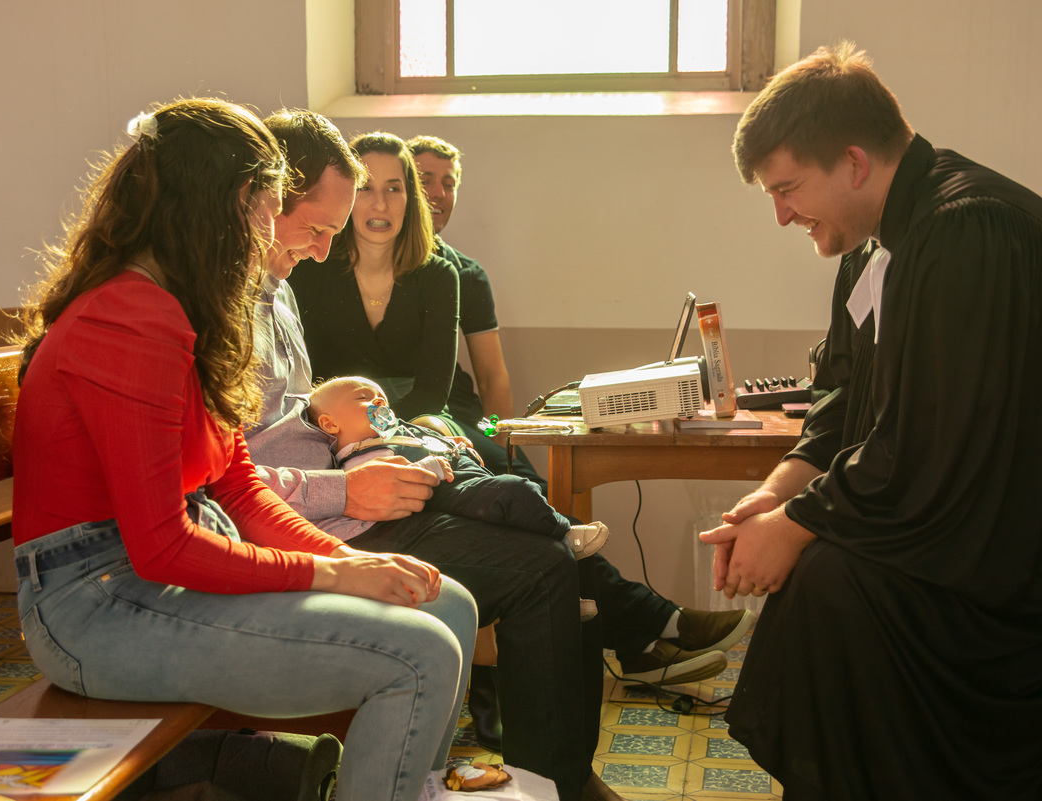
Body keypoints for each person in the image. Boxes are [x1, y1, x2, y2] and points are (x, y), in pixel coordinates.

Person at [249, 109, 752, 801]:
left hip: (396, 439)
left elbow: (436, 387)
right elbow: (239, 463)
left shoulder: (338, 281)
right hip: (345, 477)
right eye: (363, 193)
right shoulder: (280, 282)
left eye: (402, 188)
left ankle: (563, 766)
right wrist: (347, 456)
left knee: (512, 493)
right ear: (268, 198)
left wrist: (383, 433)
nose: (378, 205)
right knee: (548, 561)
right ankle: (589, 719)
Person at [10, 98, 476, 801]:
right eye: (265, 206)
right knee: (415, 653)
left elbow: (237, 485)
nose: (270, 230)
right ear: (217, 207)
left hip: (147, 579)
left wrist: (352, 558)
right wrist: (334, 578)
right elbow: (161, 547)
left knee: (447, 605)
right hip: (93, 604)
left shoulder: (185, 309)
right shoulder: (129, 316)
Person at [700, 43, 1042, 800]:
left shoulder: (967, 230)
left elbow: (933, 444)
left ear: (854, 162)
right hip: (942, 523)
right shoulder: (870, 249)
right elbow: (842, 405)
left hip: (1003, 557)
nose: (783, 213)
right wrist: (776, 494)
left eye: (788, 188)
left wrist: (794, 527)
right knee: (821, 578)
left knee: (823, 579)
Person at [407, 134, 753, 714]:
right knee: (529, 514)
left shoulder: (464, 272)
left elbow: (492, 379)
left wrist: (502, 440)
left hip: (472, 424)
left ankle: (641, 635)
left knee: (532, 493)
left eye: (449, 183)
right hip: (420, 428)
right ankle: (646, 631)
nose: (438, 193)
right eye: (423, 180)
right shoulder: (347, 267)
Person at [307, 375, 610, 563]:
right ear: (330, 423)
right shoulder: (359, 460)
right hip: (451, 491)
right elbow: (393, 480)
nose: (378, 401)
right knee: (514, 491)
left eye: (382, 398)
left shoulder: (395, 432)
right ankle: (564, 532)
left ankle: (575, 590)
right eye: (363, 398)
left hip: (464, 473)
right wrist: (431, 464)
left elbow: (421, 438)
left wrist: (446, 440)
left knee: (513, 507)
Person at [286, 132, 458, 421]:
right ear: (346, 197)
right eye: (365, 188)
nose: (380, 204)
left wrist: (379, 428)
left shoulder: (439, 276)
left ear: (410, 198)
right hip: (332, 422)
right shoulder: (308, 268)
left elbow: (432, 394)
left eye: (393, 189)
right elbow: (301, 381)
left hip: (420, 419)